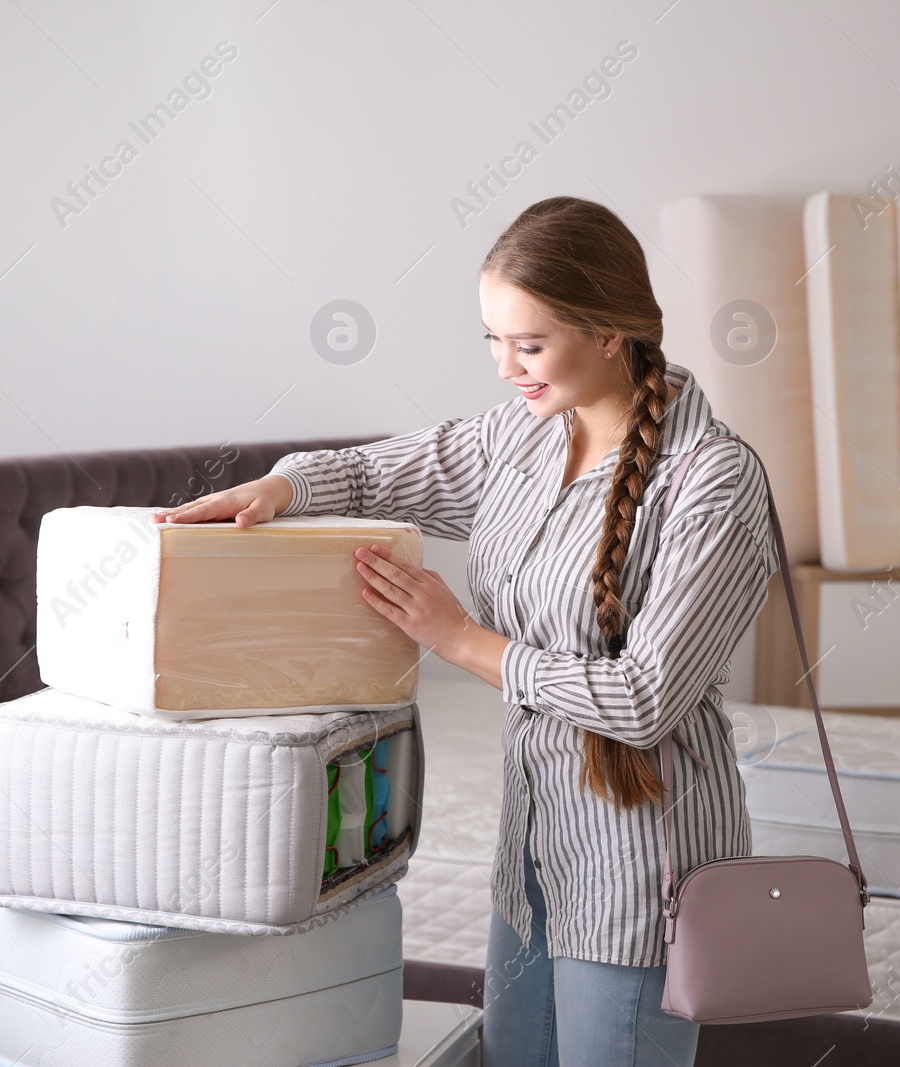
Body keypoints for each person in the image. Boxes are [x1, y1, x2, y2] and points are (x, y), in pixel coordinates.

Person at [155, 196, 776, 1067]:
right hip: (533, 854)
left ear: (608, 332)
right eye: (493, 341)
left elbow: (643, 699)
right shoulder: (519, 439)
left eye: (529, 344)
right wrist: (278, 488)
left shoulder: (712, 480)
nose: (506, 368)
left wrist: (457, 639)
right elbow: (378, 470)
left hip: (645, 871)